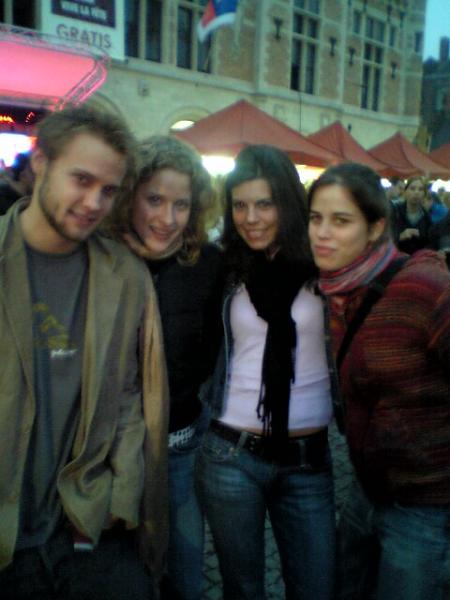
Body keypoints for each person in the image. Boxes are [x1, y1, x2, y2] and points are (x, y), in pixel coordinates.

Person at [0, 106, 168, 600]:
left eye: (109, 190)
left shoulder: (125, 274)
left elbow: (128, 395)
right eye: (81, 179)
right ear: (40, 162)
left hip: (86, 525)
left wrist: (121, 496)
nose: (94, 202)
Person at [196, 145, 337, 600]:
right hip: (231, 454)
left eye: (264, 204)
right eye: (240, 205)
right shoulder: (227, 266)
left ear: (288, 204)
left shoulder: (325, 266)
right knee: (242, 589)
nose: (251, 218)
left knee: (317, 588)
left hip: (309, 461)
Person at [308, 162, 450, 600]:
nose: (321, 233)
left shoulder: (426, 288)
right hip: (365, 491)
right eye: (315, 218)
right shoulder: (335, 291)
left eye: (340, 221)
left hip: (425, 510)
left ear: (374, 229)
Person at [105, 135, 224, 600]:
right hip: (107, 452)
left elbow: (211, 349)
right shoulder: (100, 256)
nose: (167, 219)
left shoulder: (207, 264)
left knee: (186, 572)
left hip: (179, 445)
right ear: (130, 194)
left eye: (181, 205)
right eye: (154, 200)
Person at [391, 175, 432, 254]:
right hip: (395, 256)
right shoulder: (395, 212)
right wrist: (400, 236)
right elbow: (384, 239)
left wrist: (421, 236)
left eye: (420, 189)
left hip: (418, 258)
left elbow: (430, 243)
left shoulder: (427, 217)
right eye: (412, 188)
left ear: (424, 194)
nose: (416, 192)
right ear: (405, 192)